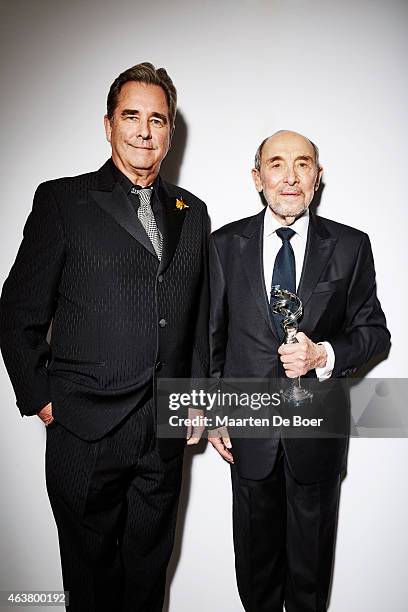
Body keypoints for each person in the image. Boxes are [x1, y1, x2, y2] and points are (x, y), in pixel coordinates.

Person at [0, 62, 209, 612]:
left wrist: (195, 397)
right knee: (91, 584)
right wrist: (43, 399)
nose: (144, 130)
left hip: (162, 433)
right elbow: (17, 310)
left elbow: (198, 315)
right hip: (84, 430)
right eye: (131, 116)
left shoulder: (193, 213)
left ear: (169, 132)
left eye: (157, 119)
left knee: (147, 579)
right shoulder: (62, 201)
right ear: (109, 124)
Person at [208, 130, 390, 612]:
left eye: (303, 164)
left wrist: (322, 354)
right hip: (248, 437)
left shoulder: (351, 246)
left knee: (310, 584)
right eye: (277, 164)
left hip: (317, 439)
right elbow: (211, 337)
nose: (290, 176)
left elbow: (375, 333)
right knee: (255, 577)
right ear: (257, 177)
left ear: (318, 177)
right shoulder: (223, 244)